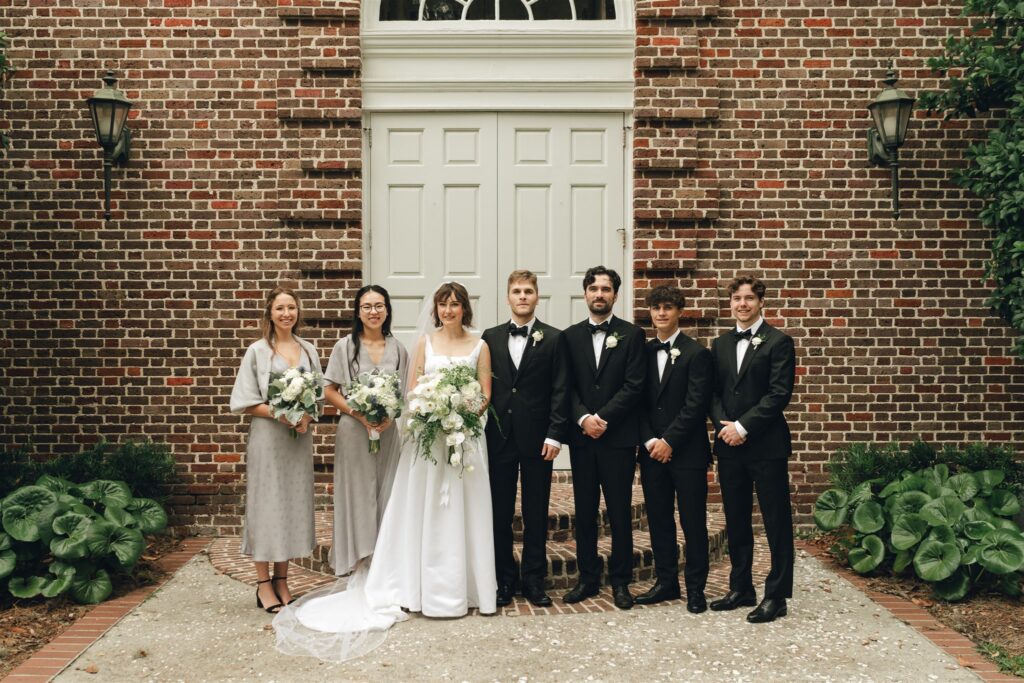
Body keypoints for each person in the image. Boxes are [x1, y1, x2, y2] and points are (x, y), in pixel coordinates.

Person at [273, 281, 497, 662]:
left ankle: (470, 588)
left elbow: (485, 394)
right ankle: (406, 582)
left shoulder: (480, 345)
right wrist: (433, 415)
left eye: (455, 305)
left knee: (462, 513)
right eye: (443, 304)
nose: (448, 310)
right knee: (419, 509)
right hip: (427, 440)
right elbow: (413, 392)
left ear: (465, 309)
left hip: (462, 441)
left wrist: (459, 416)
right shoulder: (421, 344)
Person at [229, 287, 323, 613]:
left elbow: (318, 395)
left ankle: (283, 579)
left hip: (298, 440)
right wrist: (280, 413)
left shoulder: (309, 350)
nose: (286, 314)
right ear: (270, 313)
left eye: (291, 308)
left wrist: (306, 416)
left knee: (292, 505)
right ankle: (263, 585)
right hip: (269, 438)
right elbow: (244, 401)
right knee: (266, 505)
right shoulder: (257, 352)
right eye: (280, 308)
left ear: (298, 312)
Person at [709, 275, 796, 624]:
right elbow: (712, 393)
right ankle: (741, 586)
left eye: (749, 298)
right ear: (729, 302)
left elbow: (779, 394)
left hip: (766, 445)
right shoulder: (720, 344)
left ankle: (776, 595)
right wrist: (723, 427)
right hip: (729, 445)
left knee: (776, 521)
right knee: (737, 519)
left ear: (761, 302)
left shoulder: (779, 342)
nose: (742, 304)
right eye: (736, 298)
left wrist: (743, 427)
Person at [482, 270, 569, 608]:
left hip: (538, 440)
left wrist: (556, 434)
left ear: (537, 297)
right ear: (507, 297)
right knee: (499, 514)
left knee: (536, 513)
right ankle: (504, 581)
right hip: (498, 437)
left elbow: (560, 390)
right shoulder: (489, 337)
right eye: (516, 291)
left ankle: (534, 581)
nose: (522, 296)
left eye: (528, 291)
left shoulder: (554, 338)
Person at [561, 266, 645, 610]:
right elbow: (564, 387)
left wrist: (604, 418)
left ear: (615, 295)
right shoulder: (569, 337)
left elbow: (635, 385)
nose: (599, 294)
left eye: (606, 289)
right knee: (584, 511)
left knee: (619, 512)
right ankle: (587, 578)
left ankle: (621, 581)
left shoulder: (632, 335)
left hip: (617, 439)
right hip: (583, 439)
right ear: (585, 293)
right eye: (594, 288)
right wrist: (582, 418)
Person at [323, 285, 409, 576]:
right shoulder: (345, 347)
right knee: (357, 492)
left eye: (379, 306)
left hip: (387, 432)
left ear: (387, 310)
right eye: (367, 307)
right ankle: (358, 559)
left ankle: (383, 560)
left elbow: (406, 393)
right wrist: (357, 413)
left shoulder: (398, 348)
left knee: (387, 491)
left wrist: (392, 414)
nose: (374, 312)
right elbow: (329, 390)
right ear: (358, 312)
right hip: (353, 431)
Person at [636, 286, 713, 613]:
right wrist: (651, 440)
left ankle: (696, 588)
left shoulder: (697, 354)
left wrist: (670, 441)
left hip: (688, 453)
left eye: (668, 307)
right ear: (650, 312)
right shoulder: (642, 352)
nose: (662, 313)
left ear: (679, 311)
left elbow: (696, 405)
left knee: (693, 521)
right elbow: (636, 401)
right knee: (659, 519)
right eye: (656, 308)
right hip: (652, 452)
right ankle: (666, 581)